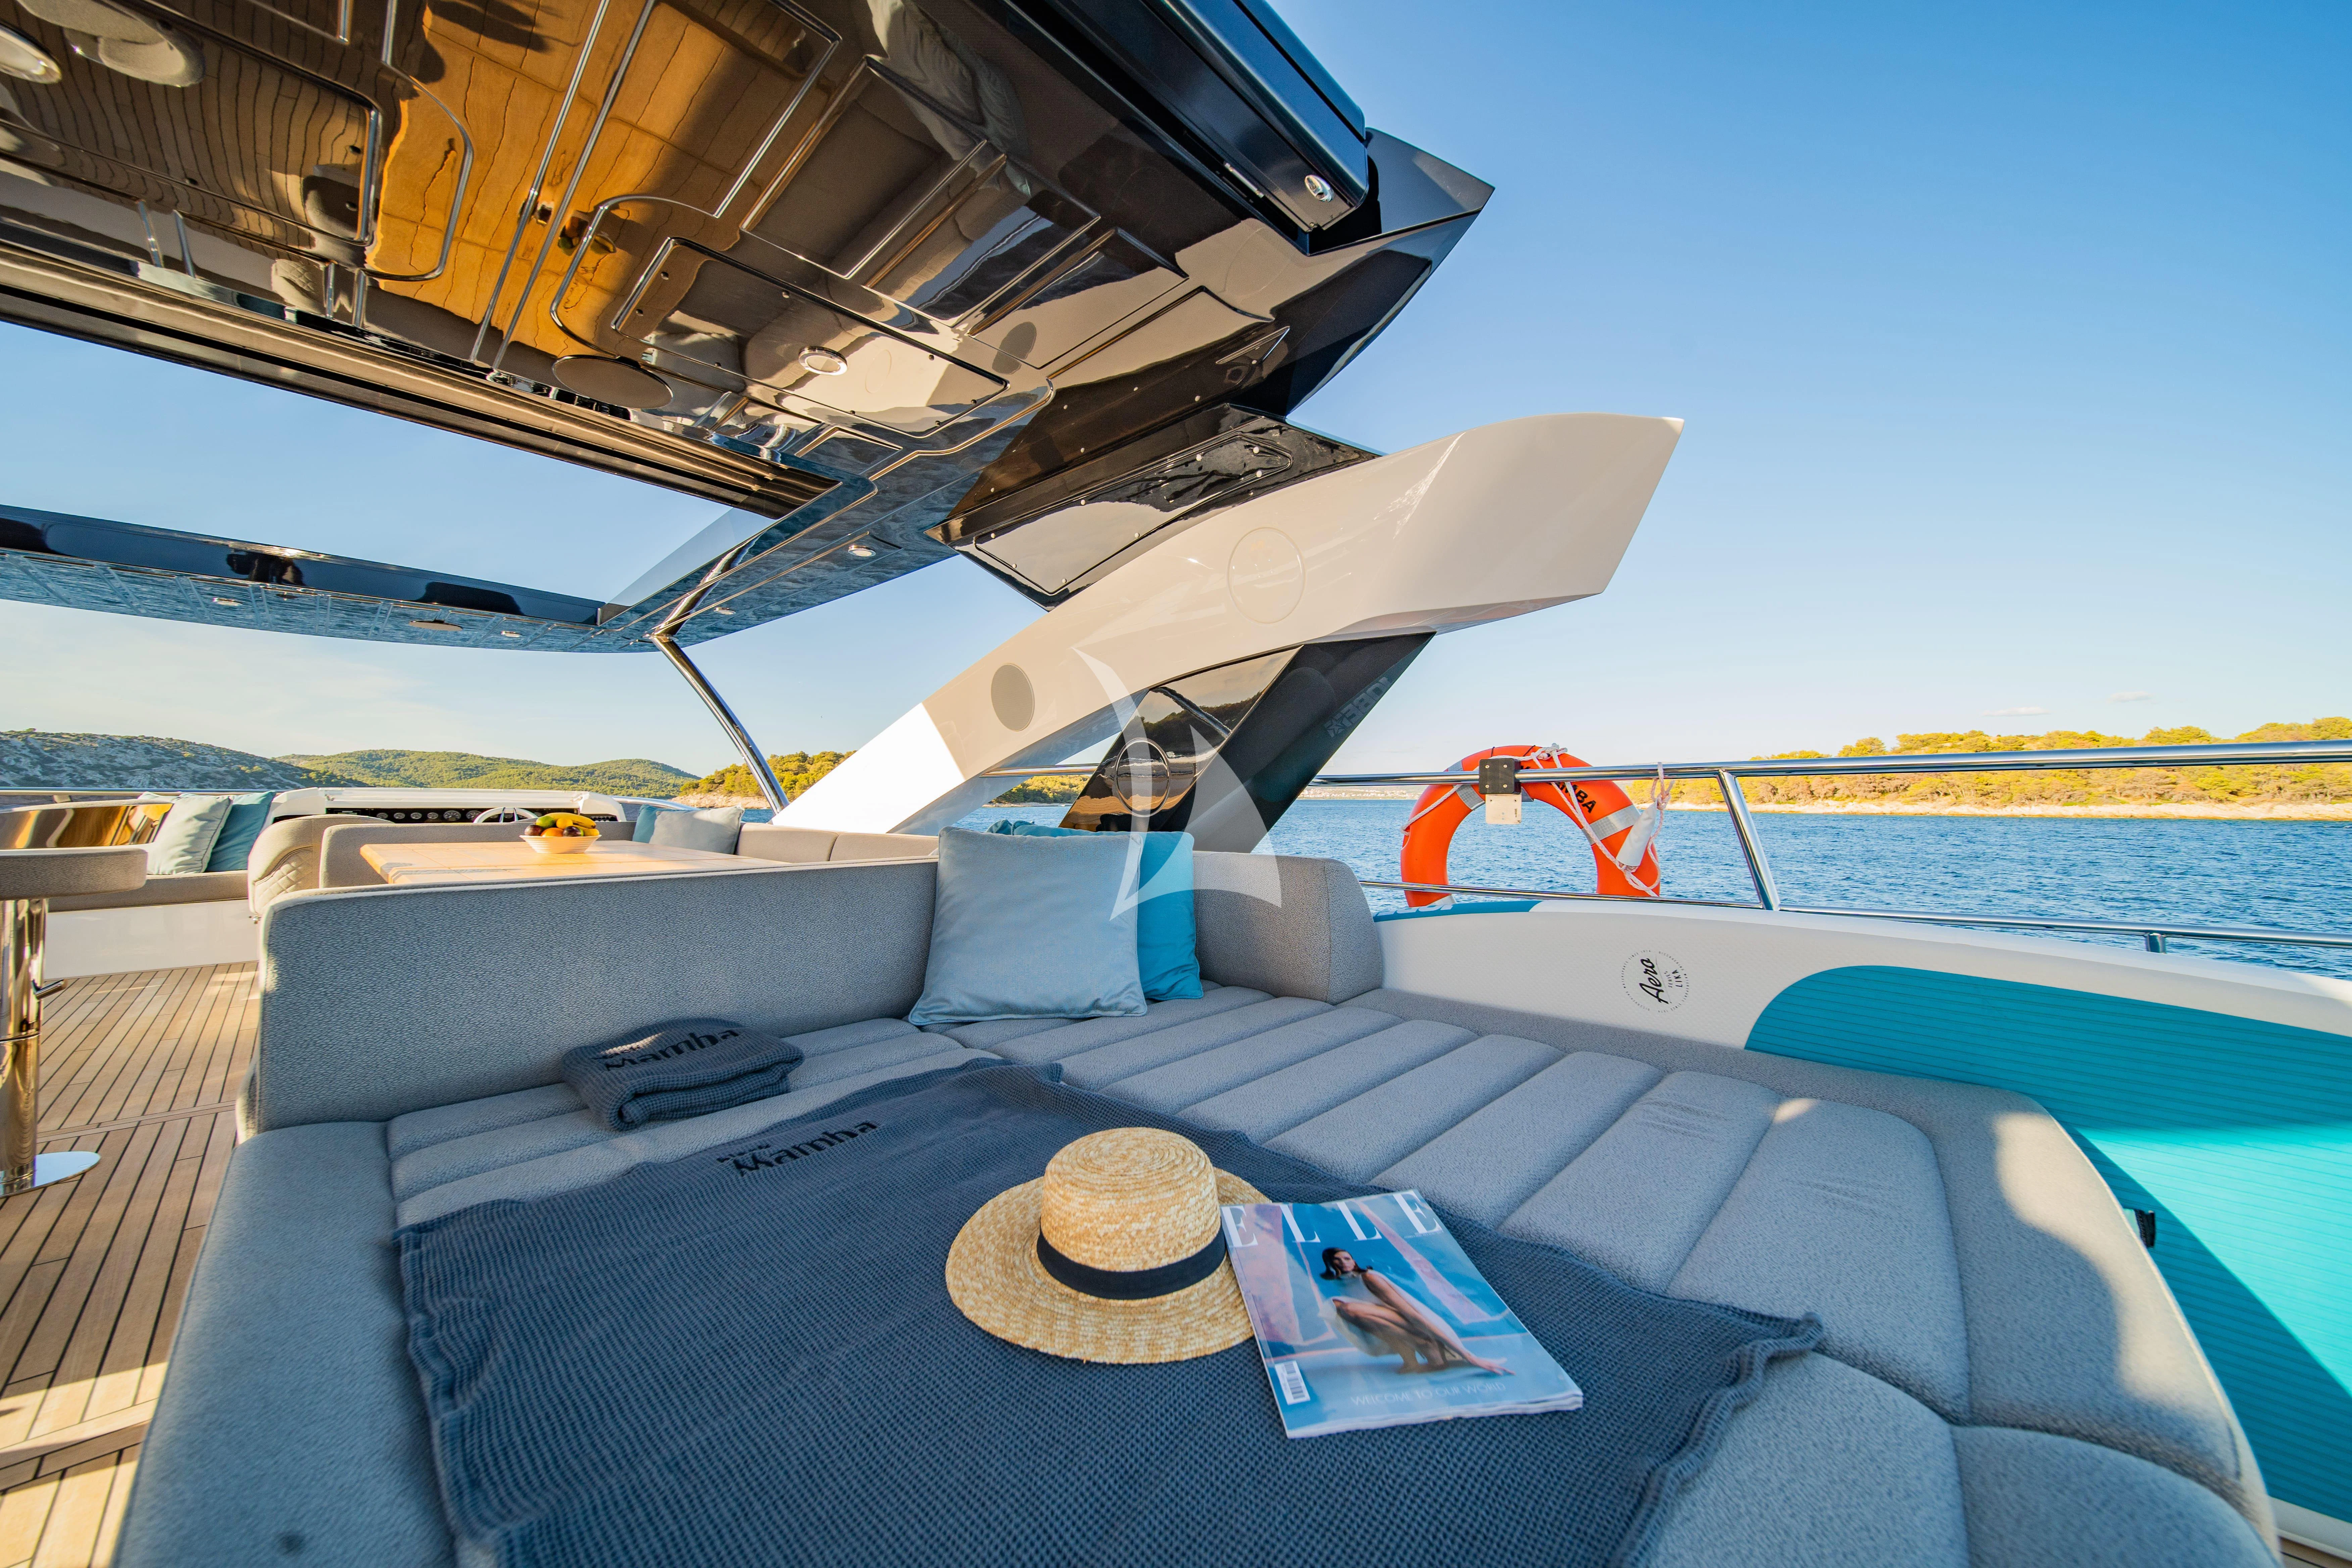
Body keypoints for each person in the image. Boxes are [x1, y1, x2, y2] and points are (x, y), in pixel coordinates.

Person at [1319, 1247, 1510, 1376]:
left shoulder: (1369, 1278)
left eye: (1347, 1258)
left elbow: (1411, 1313)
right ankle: (1412, 1357)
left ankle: (1427, 1343)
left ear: (1354, 1261)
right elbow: (1376, 1325)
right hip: (1395, 1326)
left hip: (1413, 1322)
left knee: (1346, 1308)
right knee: (1338, 1307)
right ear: (1330, 1265)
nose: (1343, 1263)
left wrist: (1469, 1356)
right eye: (1337, 1261)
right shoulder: (1342, 1283)